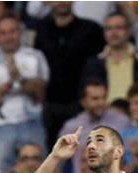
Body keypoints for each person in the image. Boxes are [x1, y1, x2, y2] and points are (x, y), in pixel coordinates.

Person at [0, 13, 49, 172]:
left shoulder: (35, 56)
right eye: (3, 33)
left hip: (31, 122)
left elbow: (41, 94)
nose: (8, 37)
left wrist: (20, 79)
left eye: (13, 31)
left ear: (21, 32)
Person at [34, 0, 105, 147]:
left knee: (84, 148)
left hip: (80, 102)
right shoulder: (41, 29)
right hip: (50, 103)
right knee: (52, 151)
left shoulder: (91, 29)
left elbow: (101, 65)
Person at [59, 79, 131, 173]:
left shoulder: (122, 122)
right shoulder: (71, 127)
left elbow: (131, 159)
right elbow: (57, 163)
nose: (101, 102)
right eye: (95, 99)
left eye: (104, 97)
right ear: (83, 102)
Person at [80, 12, 138, 104]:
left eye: (119, 28)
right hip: (103, 116)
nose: (113, 33)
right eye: (109, 29)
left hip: (136, 115)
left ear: (128, 31)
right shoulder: (93, 64)